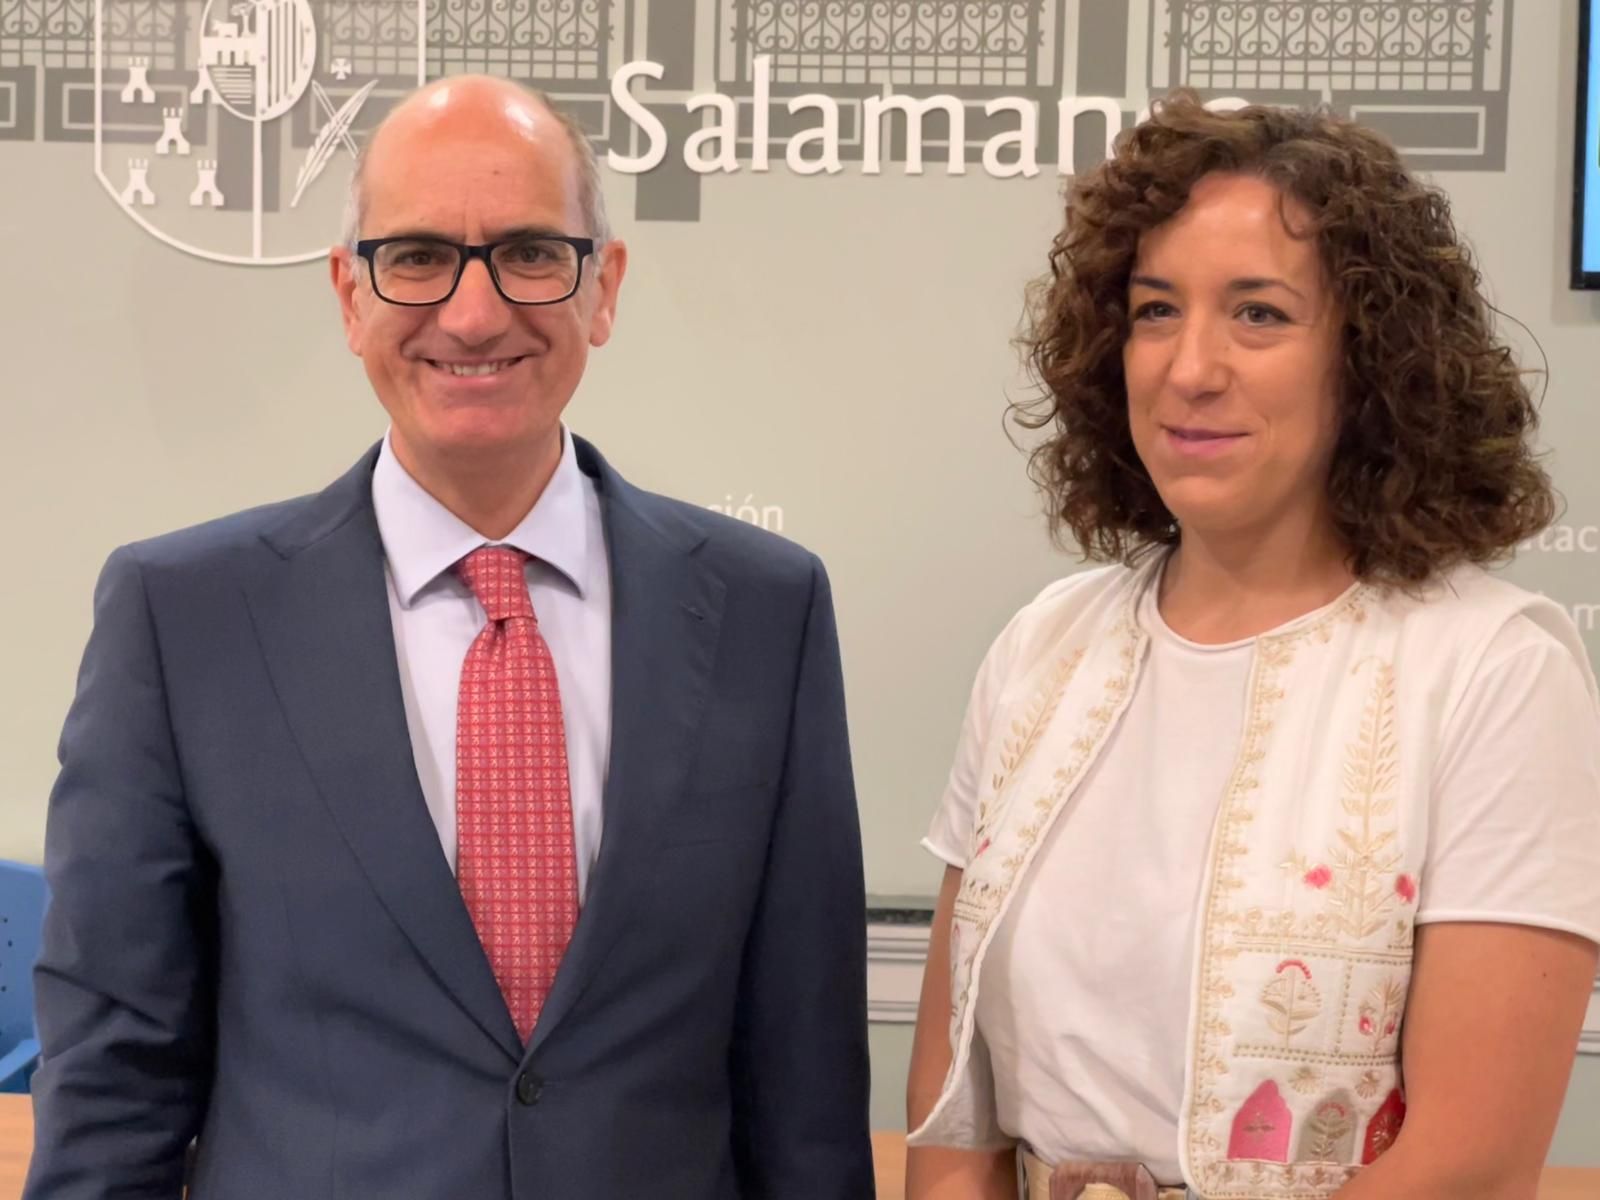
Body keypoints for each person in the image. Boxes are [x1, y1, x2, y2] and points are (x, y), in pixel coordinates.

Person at [27, 76, 874, 1200]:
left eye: (530, 252)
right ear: (349, 295)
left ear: (604, 288)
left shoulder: (767, 612)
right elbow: (115, 1084)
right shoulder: (183, 620)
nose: (474, 315)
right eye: (418, 257)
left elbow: (806, 1084)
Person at [905, 94, 1600, 1200]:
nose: (1190, 367)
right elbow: (952, 1117)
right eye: (1154, 311)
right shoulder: (1044, 647)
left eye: (1259, 314)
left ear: (1369, 359)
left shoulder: (1493, 670)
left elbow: (1469, 1164)